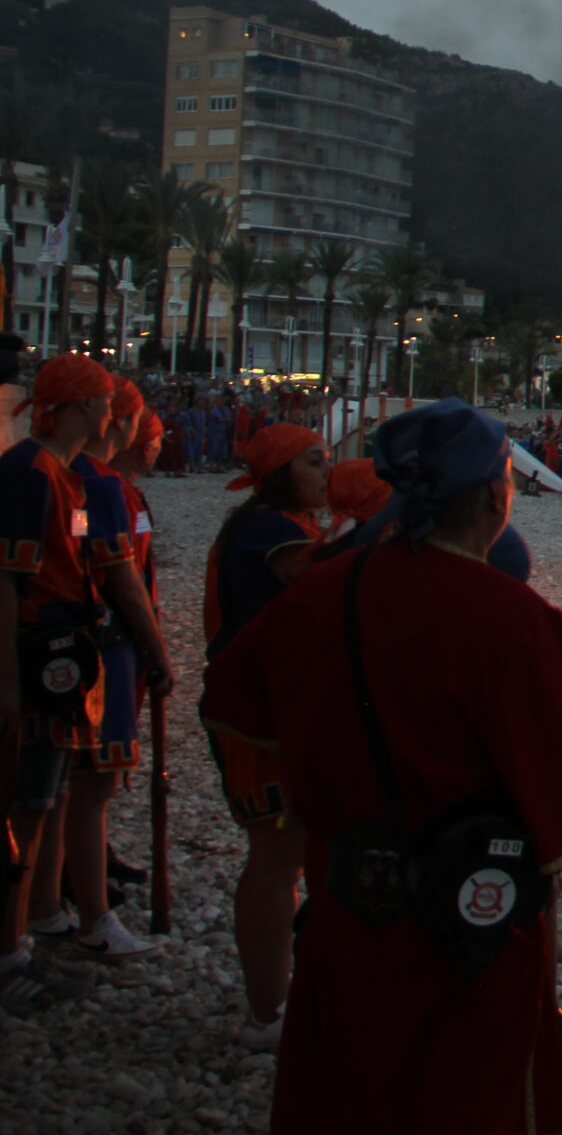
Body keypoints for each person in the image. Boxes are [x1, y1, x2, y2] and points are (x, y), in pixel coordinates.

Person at [202, 399, 562, 1131]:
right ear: (495, 492)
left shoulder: (322, 591)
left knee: (347, 1096)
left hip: (346, 908)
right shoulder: (514, 621)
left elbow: (231, 697)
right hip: (471, 928)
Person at [1, 355, 169, 1010]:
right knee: (25, 803)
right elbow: (10, 581)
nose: (112, 413)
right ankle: (10, 949)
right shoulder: (31, 473)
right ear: (76, 406)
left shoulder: (65, 477)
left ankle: (28, 931)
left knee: (42, 799)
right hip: (38, 656)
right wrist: (9, 682)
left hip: (66, 652)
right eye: (102, 400)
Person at [202, 421, 330, 1046]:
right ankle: (267, 1012)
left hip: (267, 709)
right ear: (281, 475)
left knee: (286, 856)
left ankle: (276, 999)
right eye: (315, 462)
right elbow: (324, 582)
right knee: (276, 858)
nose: (327, 473)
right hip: (255, 716)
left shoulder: (268, 526)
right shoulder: (270, 535)